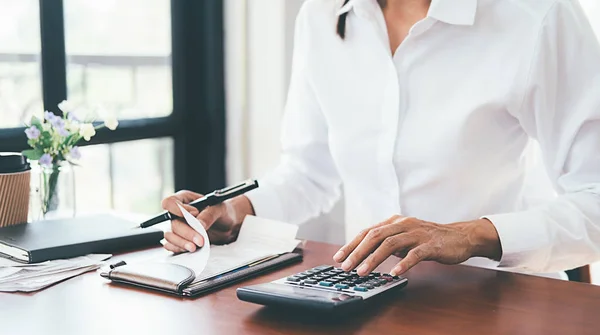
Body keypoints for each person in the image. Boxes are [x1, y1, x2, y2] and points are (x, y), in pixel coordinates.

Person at [162, 0, 600, 278]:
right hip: (364, 296)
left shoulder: (538, 16)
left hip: (494, 300)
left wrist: (467, 236)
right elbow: (309, 172)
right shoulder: (321, 15)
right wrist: (238, 211)